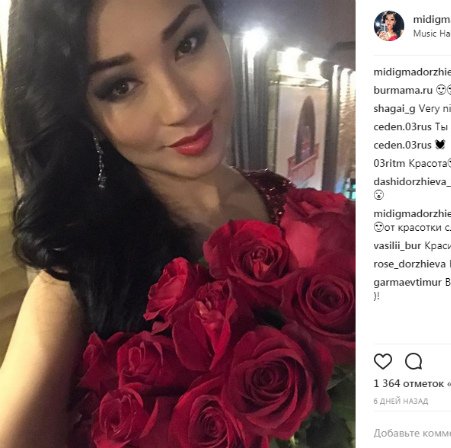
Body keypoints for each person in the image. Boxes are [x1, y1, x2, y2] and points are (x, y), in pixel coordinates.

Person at [0, 0, 293, 446]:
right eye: (120, 86)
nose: (181, 106)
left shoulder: (299, 209)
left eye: (188, 44)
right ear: (86, 118)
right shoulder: (78, 285)